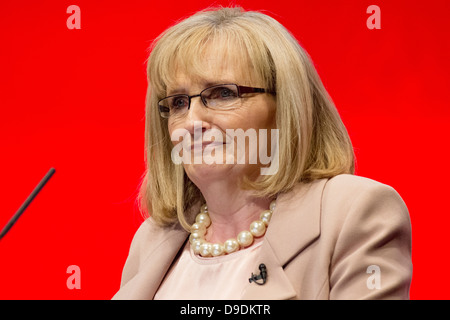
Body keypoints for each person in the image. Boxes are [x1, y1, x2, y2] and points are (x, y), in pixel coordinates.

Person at [112, 6, 412, 300]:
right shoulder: (152, 239)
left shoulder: (352, 212)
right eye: (178, 102)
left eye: (222, 94)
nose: (192, 122)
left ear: (285, 108)